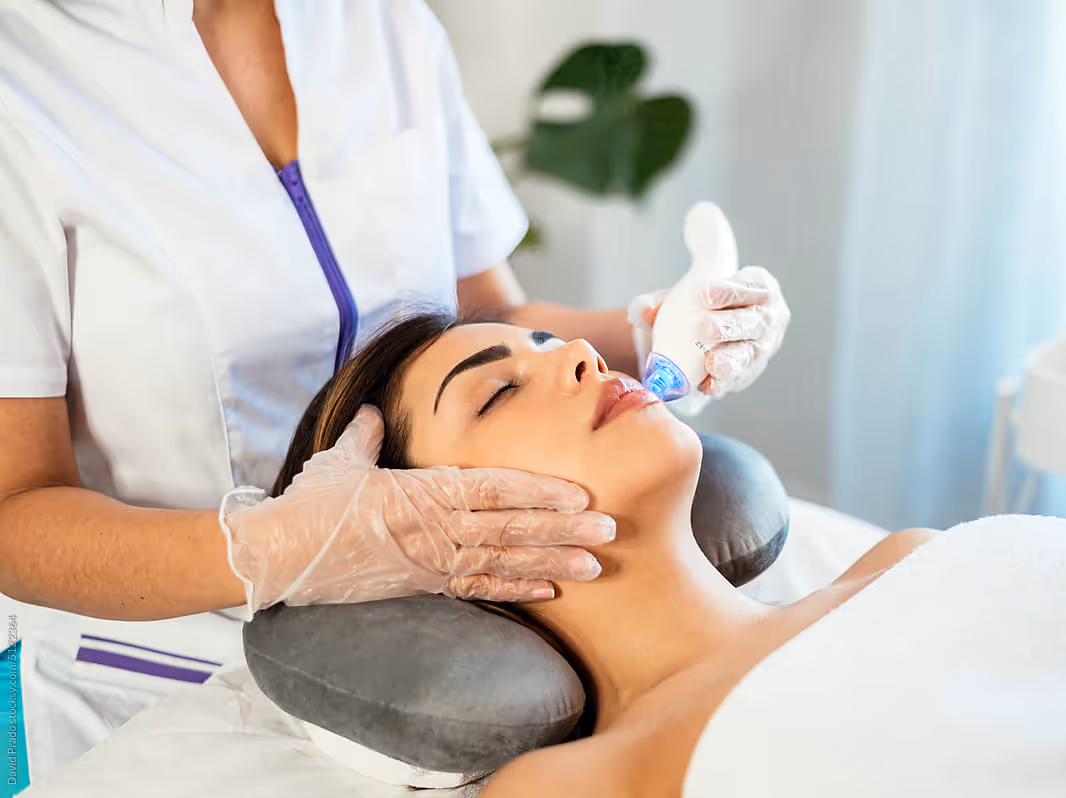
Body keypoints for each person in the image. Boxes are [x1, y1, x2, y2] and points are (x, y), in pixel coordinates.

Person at [0, 0, 791, 785]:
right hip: (135, 671)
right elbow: (12, 513)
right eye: (495, 397)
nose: (582, 359)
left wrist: (654, 333)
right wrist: (278, 547)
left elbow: (493, 320)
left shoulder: (383, 22)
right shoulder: (21, 77)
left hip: (447, 638)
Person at [266, 310, 1066, 798]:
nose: (583, 355)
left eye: (549, 340)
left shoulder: (905, 562)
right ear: (427, 532)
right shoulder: (577, 783)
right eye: (500, 392)